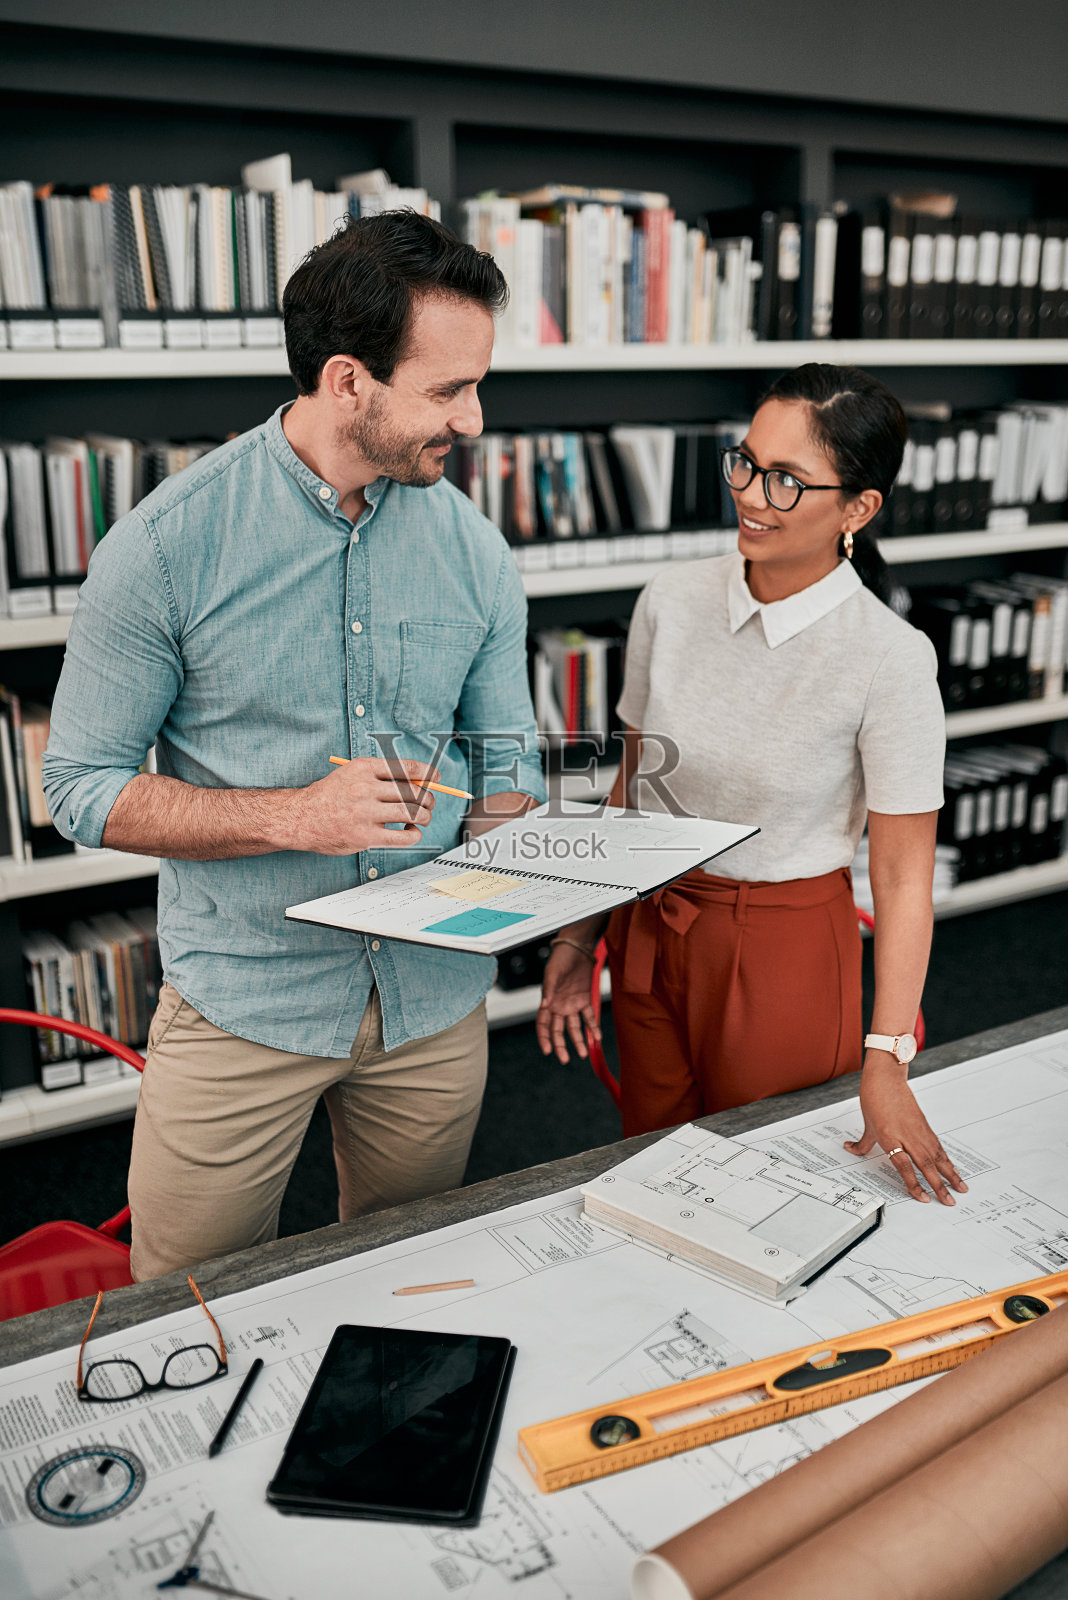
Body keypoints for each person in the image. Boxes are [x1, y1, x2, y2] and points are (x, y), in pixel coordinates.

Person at [42, 212, 546, 1280]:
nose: (476, 415)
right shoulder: (167, 548)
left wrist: (547, 852)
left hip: (432, 1001)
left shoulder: (477, 553)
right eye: (448, 389)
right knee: (186, 1309)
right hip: (244, 1003)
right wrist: (292, 817)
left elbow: (508, 769)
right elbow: (79, 790)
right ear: (349, 379)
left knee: (412, 1286)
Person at [537, 363, 967, 1208]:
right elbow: (634, 789)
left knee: (772, 1193)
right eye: (746, 463)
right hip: (651, 924)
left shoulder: (890, 657)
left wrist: (888, 1056)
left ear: (858, 510)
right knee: (653, 1178)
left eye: (787, 481)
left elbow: (905, 877)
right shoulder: (672, 597)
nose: (752, 495)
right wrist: (580, 939)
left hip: (780, 952)